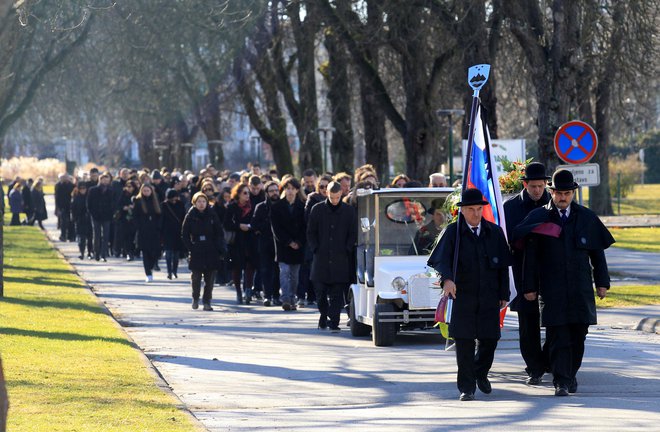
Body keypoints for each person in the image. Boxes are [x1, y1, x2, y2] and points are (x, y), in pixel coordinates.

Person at [515, 169, 614, 396]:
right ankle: (561, 380)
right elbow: (530, 257)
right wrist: (529, 287)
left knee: (579, 334)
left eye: (567, 193)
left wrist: (602, 282)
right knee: (558, 335)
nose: (563, 197)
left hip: (580, 289)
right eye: (559, 193)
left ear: (573, 193)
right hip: (552, 290)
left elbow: (597, 254)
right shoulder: (540, 218)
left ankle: (570, 374)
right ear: (551, 192)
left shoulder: (586, 217)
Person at [427, 188, 511, 401]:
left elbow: (503, 266)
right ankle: (467, 387)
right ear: (462, 210)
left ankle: (480, 372)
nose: (475, 213)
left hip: (489, 295)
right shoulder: (452, 232)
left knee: (490, 340)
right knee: (464, 342)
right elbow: (440, 260)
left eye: (478, 209)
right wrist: (447, 279)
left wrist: (504, 292)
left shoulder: (494, 232)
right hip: (462, 295)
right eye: (471, 209)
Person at [503, 162, 551, 385]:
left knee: (554, 321)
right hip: (521, 270)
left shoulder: (553, 203)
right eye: (533, 186)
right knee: (528, 323)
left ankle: (549, 359)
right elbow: (506, 239)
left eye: (541, 186)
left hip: (549, 270)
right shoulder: (510, 207)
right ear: (525, 184)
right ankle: (534, 367)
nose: (537, 191)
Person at [307, 181, 357, 331]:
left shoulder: (348, 211)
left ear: (341, 194)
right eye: (332, 197)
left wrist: (347, 248)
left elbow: (353, 232)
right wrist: (315, 248)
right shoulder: (317, 209)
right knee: (320, 293)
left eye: (337, 197)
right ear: (327, 194)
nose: (335, 200)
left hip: (340, 258)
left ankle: (333, 321)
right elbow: (310, 232)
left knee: (336, 294)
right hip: (321, 258)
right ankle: (324, 314)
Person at [181, 192, 225, 311]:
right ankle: (195, 297)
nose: (201, 204)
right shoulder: (190, 215)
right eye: (199, 202)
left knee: (210, 278)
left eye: (203, 201)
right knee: (196, 277)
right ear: (194, 203)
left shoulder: (212, 214)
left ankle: (207, 301)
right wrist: (191, 247)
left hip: (211, 249)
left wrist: (218, 247)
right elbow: (184, 234)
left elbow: (219, 232)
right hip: (197, 249)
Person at [271, 177, 306, 311]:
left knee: (295, 275)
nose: (290, 191)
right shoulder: (277, 207)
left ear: (297, 190)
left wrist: (298, 242)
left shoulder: (302, 206)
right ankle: (285, 298)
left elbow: (305, 227)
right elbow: (276, 228)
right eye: (287, 188)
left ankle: (292, 298)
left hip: (298, 247)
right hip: (283, 246)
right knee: (284, 272)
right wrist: (288, 242)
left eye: (292, 188)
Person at [224, 183, 257, 304]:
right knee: (237, 267)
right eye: (244, 193)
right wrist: (239, 226)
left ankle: (248, 290)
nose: (247, 195)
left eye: (248, 193)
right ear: (238, 194)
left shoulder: (253, 206)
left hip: (250, 239)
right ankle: (238, 291)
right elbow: (226, 223)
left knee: (250, 266)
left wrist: (250, 227)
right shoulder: (232, 207)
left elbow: (257, 221)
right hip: (236, 241)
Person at [251, 180, 282, 306]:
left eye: (276, 190)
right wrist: (265, 226)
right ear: (267, 193)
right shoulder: (261, 207)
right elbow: (254, 225)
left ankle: (276, 295)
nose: (274, 193)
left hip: (279, 244)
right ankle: (267, 295)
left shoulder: (282, 205)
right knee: (265, 270)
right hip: (265, 243)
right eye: (271, 191)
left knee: (277, 271)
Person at [161, 188, 186, 280]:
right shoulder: (164, 205)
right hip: (167, 232)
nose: (174, 200)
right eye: (172, 198)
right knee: (168, 253)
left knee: (176, 255)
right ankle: (169, 272)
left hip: (178, 232)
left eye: (175, 198)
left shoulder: (180, 204)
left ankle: (174, 270)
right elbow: (161, 219)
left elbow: (184, 217)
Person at [115, 180, 138, 261]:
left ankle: (132, 251)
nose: (128, 188)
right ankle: (127, 252)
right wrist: (124, 207)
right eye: (127, 186)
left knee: (132, 236)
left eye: (130, 187)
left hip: (134, 218)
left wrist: (134, 207)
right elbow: (118, 205)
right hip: (124, 218)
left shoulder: (137, 195)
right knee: (125, 236)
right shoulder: (123, 194)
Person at [70, 183, 93, 259]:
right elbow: (73, 209)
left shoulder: (89, 197)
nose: (83, 190)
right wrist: (74, 219)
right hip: (80, 220)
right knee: (81, 238)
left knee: (90, 238)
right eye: (81, 189)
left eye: (84, 189)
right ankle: (82, 252)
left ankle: (90, 252)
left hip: (89, 220)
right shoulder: (76, 198)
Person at [55, 174, 75, 241]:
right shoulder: (58, 186)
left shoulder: (72, 186)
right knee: (63, 222)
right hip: (62, 206)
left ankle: (71, 236)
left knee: (71, 222)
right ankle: (63, 236)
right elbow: (57, 197)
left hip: (70, 206)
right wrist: (57, 207)